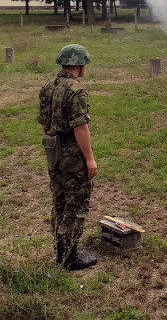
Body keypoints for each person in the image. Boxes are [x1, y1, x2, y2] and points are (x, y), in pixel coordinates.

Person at [38, 44, 98, 271]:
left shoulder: (47, 87)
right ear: (79, 65)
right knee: (76, 203)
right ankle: (70, 257)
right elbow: (80, 128)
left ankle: (61, 251)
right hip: (73, 156)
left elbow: (44, 123)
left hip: (53, 151)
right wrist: (89, 158)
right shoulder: (76, 90)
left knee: (60, 201)